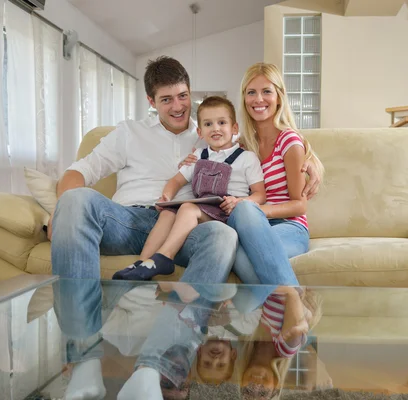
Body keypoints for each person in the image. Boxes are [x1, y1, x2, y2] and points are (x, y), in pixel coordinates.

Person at [49, 55, 321, 400]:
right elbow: (79, 172)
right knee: (74, 200)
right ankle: (85, 360)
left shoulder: (212, 130)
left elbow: (267, 157)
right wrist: (59, 213)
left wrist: (313, 163)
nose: (178, 107)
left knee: (225, 235)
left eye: (182, 96)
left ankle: (155, 367)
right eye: (166, 99)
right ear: (151, 102)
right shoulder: (128, 133)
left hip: (189, 224)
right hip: (129, 218)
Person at [113, 96, 265, 282]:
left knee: (186, 208)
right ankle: (142, 264)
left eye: (222, 122)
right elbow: (175, 181)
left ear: (234, 128)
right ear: (200, 132)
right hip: (203, 213)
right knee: (168, 213)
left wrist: (239, 202)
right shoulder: (198, 156)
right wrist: (166, 197)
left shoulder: (246, 158)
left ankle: (164, 257)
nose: (215, 128)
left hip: (228, 215)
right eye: (208, 124)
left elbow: (260, 194)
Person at [228, 62, 325, 311]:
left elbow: (299, 204)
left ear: (279, 97)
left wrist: (257, 211)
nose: (258, 99)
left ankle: (290, 308)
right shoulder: (242, 146)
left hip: (290, 228)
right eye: (251, 92)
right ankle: (290, 318)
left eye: (266, 91)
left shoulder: (289, 141)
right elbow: (209, 142)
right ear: (244, 98)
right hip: (255, 229)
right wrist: (192, 159)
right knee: (238, 253)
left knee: (246, 211)